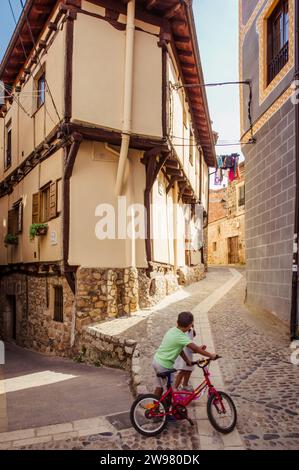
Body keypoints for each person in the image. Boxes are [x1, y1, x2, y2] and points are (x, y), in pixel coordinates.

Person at [152, 311, 217, 398]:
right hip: (164, 365)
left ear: (177, 322)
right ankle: (168, 409)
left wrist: (187, 360)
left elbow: (179, 349)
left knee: (159, 387)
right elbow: (195, 348)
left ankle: (155, 408)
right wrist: (211, 355)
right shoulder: (181, 337)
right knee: (171, 391)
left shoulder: (172, 330)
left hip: (157, 361)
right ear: (190, 325)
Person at [174, 324, 201, 391]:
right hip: (183, 354)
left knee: (189, 369)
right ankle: (175, 388)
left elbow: (191, 343)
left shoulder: (191, 330)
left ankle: (185, 384)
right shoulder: (183, 331)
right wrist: (198, 349)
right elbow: (188, 345)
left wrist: (198, 349)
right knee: (183, 371)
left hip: (189, 353)